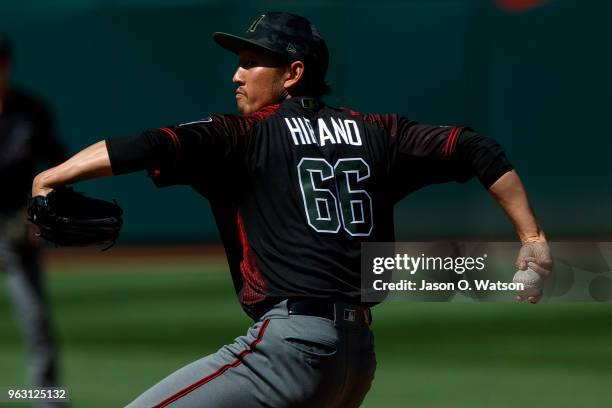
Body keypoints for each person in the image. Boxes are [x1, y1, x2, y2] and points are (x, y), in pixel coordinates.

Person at [30, 12, 552, 408]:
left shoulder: (244, 134)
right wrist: (531, 239)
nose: (237, 75)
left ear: (293, 72)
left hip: (290, 348)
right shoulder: (380, 132)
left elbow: (145, 146)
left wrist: (52, 176)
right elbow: (478, 149)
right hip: (355, 360)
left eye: (252, 61)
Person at [0, 34, 66, 406]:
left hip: (14, 228)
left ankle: (49, 402)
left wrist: (41, 214)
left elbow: (59, 166)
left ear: (5, 65)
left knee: (36, 322)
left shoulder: (30, 111)